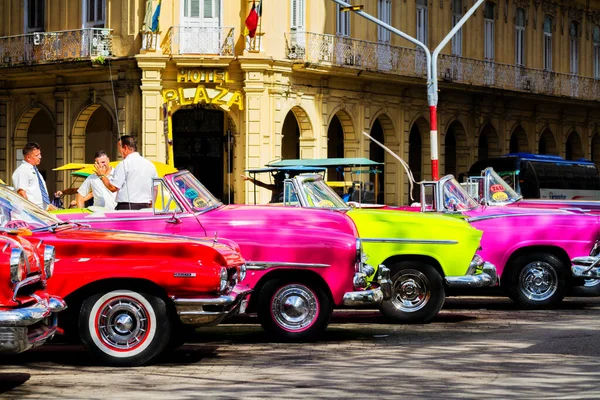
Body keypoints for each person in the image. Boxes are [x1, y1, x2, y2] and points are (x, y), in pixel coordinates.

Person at [95, 135, 158, 210]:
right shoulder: (150, 165)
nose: (119, 152)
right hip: (145, 207)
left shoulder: (124, 164)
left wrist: (102, 175)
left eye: (119, 148)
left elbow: (113, 187)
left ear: (125, 148)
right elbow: (155, 189)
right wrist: (151, 207)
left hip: (126, 207)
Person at [12, 142, 57, 211]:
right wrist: (30, 212)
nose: (40, 157)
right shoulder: (23, 170)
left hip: (41, 211)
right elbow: (21, 193)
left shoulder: (34, 170)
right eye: (37, 155)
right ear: (28, 157)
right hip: (31, 213)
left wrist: (48, 206)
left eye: (40, 154)